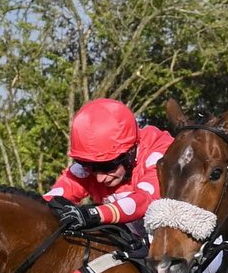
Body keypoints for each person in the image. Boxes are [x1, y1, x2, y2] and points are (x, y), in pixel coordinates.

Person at [43, 98, 174, 235]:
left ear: (130, 152)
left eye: (106, 166)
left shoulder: (160, 151)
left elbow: (146, 200)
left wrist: (93, 214)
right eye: (89, 166)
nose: (99, 178)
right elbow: (55, 197)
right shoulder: (92, 158)